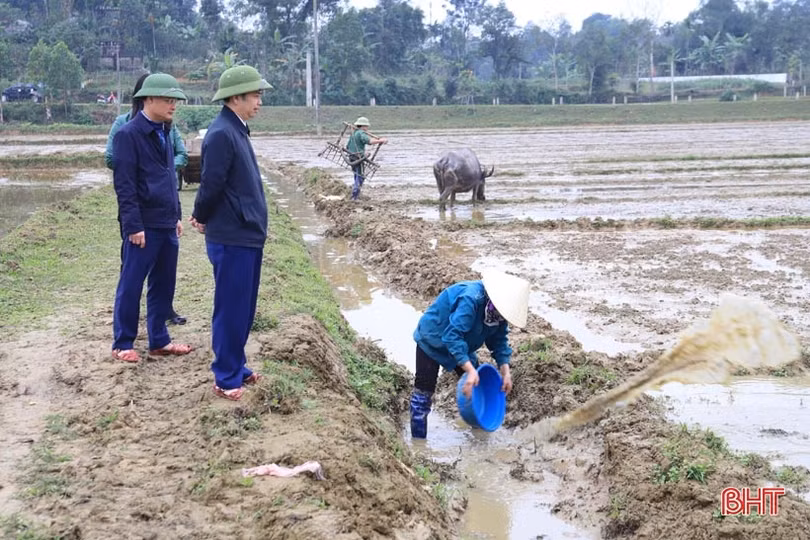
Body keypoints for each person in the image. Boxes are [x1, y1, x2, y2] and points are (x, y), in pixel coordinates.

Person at [189, 65, 272, 401]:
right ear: (235, 97)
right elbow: (211, 183)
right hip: (232, 234)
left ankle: (237, 364)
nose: (259, 102)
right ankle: (225, 376)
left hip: (247, 232)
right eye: (255, 96)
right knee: (230, 307)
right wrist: (199, 214)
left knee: (244, 306)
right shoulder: (222, 133)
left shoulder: (237, 128)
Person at [110, 73, 193, 364]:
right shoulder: (128, 135)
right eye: (168, 100)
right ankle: (122, 342)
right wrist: (133, 225)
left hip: (166, 222)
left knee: (164, 283)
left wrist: (177, 215)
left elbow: (170, 178)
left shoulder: (165, 132)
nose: (173, 106)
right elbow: (125, 185)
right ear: (148, 99)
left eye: (175, 101)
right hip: (142, 225)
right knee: (132, 283)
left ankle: (159, 340)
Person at [410, 270, 530, 438]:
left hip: (461, 343)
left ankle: (480, 432)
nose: (503, 317)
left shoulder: (498, 313)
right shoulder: (471, 299)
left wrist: (505, 370)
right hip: (433, 339)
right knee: (424, 392)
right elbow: (452, 337)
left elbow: (499, 341)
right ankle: (418, 443)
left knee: (478, 387)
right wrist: (470, 370)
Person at [346, 116, 387, 200]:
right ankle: (354, 196)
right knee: (360, 176)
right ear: (363, 126)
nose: (367, 128)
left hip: (351, 157)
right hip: (358, 158)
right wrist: (380, 140)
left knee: (356, 175)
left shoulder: (353, 133)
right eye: (367, 126)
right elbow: (369, 141)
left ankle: (355, 194)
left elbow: (347, 146)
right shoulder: (361, 133)